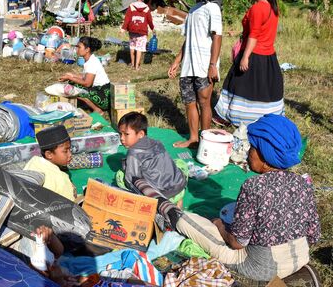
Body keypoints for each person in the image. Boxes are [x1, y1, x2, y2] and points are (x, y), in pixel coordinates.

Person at [136, 114, 320, 281]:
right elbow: (313, 235)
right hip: (301, 257)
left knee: (189, 222)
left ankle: (166, 208)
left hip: (263, 269)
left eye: (253, 148)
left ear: (265, 154)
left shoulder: (254, 187)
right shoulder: (303, 183)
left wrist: (218, 224)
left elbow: (237, 243)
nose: (248, 152)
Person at [215, 0, 283, 127]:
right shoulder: (273, 8)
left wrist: (245, 56)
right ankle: (263, 117)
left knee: (237, 84)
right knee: (262, 88)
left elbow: (254, 35)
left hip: (254, 53)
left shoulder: (257, 8)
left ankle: (232, 117)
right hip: (268, 55)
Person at [168, 0, 223, 148]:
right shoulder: (192, 11)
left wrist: (213, 65)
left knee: (204, 103)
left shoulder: (212, 8)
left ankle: (205, 140)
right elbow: (187, 40)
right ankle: (193, 138)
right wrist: (177, 61)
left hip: (204, 66)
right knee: (189, 102)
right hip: (188, 67)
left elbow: (217, 37)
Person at [117, 112, 187, 207]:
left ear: (141, 134)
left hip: (162, 196)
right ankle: (179, 200)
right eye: (120, 134)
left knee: (120, 176)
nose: (122, 138)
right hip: (179, 184)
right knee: (179, 162)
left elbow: (131, 180)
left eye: (126, 134)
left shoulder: (133, 154)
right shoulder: (156, 142)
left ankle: (169, 203)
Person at [23, 125, 77, 201]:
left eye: (70, 150)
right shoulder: (61, 179)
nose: (70, 154)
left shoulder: (34, 161)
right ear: (49, 154)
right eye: (65, 151)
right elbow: (72, 206)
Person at [59, 36, 111, 113]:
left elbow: (87, 83)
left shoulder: (92, 63)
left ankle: (98, 110)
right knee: (73, 84)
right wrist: (72, 75)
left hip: (104, 95)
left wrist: (70, 78)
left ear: (87, 50)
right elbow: (85, 77)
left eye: (79, 47)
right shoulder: (89, 60)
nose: (77, 49)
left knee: (74, 89)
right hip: (100, 91)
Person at [121, 0, 155, 71]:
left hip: (132, 30)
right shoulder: (146, 8)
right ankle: (137, 67)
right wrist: (152, 28)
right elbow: (149, 20)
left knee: (132, 47)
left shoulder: (131, 6)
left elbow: (127, 18)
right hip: (142, 32)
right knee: (139, 49)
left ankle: (132, 64)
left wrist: (123, 28)